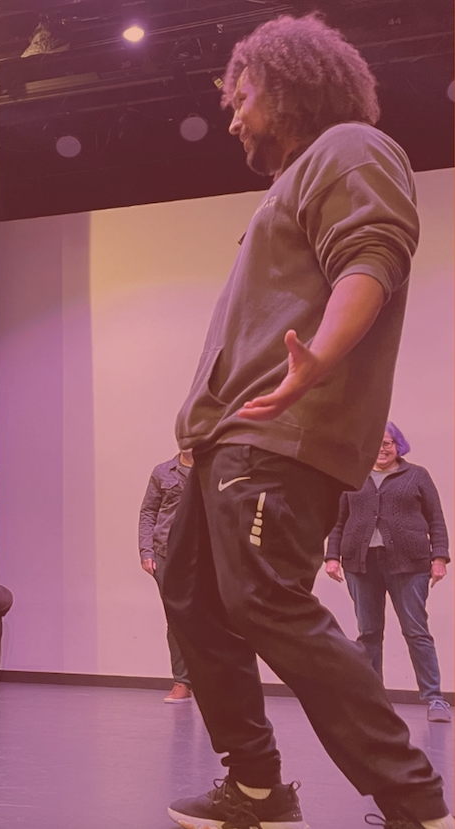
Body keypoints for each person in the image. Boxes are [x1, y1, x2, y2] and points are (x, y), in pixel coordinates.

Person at [158, 14, 453, 829]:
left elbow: (371, 255)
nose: (232, 115)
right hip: (229, 441)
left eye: (242, 95)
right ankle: (256, 787)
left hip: (279, 437)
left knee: (266, 601)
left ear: (287, 86)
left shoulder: (350, 147)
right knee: (193, 595)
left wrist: (318, 357)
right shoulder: (290, 184)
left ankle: (415, 801)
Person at [325, 422, 451, 723]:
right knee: (369, 633)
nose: (381, 449)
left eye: (387, 443)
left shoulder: (417, 475)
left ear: (398, 445)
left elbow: (436, 518)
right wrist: (332, 557)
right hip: (361, 564)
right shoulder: (352, 476)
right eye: (376, 443)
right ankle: (373, 700)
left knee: (416, 631)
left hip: (410, 564)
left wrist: (440, 557)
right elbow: (339, 520)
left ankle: (435, 699)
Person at [138, 448, 194, 703]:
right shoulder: (163, 472)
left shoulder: (214, 470)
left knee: (209, 620)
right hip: (167, 554)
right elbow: (148, 512)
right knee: (176, 619)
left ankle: (210, 683)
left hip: (204, 556)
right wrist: (146, 551)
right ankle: (182, 681)